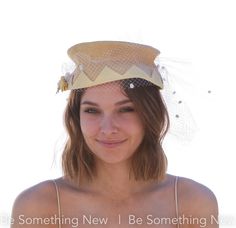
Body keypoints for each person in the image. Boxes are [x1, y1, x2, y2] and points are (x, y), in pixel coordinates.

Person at [11, 41, 218, 228]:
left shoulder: (191, 202)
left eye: (126, 109)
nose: (108, 128)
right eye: (92, 110)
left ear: (150, 114)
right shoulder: (38, 206)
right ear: (76, 118)